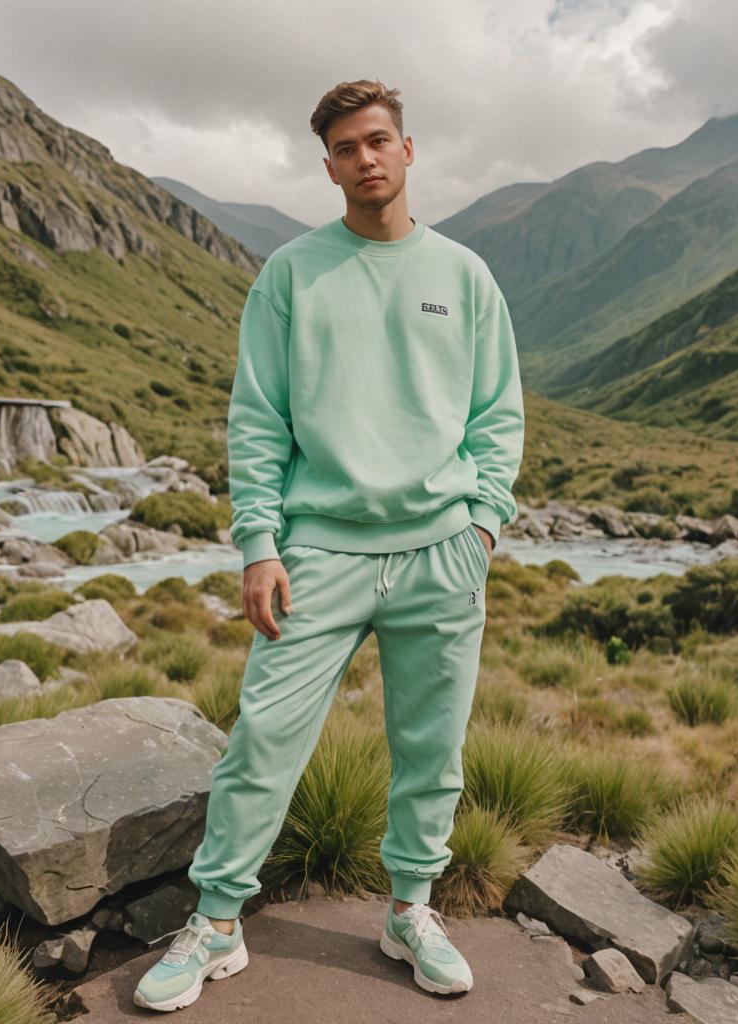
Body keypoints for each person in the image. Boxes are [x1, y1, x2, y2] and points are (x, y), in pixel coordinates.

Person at [133, 78, 525, 1013]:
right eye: (347, 148)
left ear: (408, 149)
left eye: (379, 141)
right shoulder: (292, 275)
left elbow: (497, 412)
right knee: (263, 741)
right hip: (317, 556)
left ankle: (410, 912)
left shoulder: (465, 276)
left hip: (441, 552)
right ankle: (217, 924)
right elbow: (258, 420)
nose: (366, 159)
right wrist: (259, 545)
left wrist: (483, 524)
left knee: (432, 750)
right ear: (329, 165)